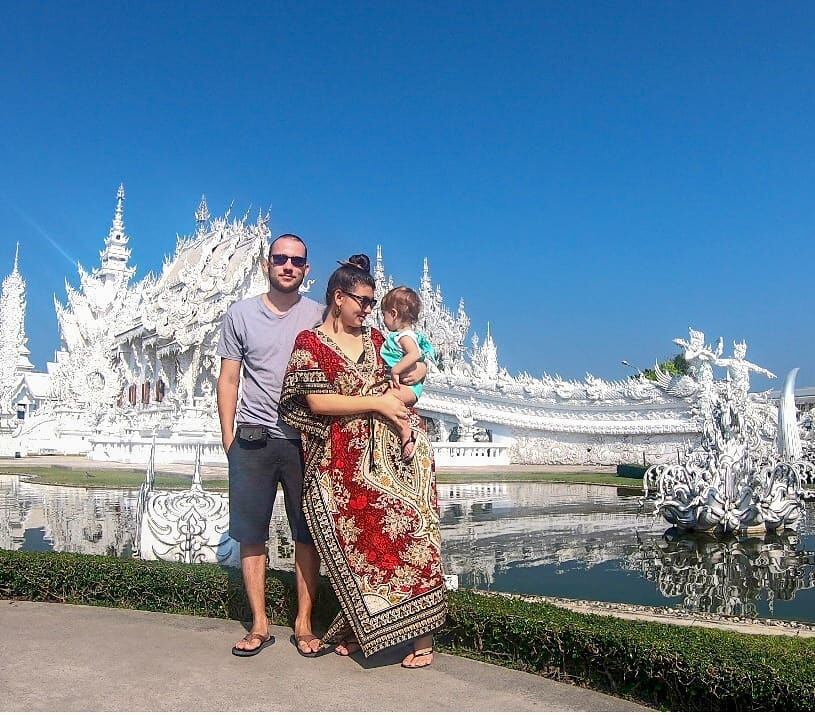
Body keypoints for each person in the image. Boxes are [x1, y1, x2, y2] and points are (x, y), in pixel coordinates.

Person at [279, 254, 446, 669]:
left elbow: (415, 367)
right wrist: (376, 402)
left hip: (399, 457)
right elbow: (317, 403)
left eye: (373, 302)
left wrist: (416, 377)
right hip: (342, 462)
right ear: (339, 298)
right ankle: (364, 629)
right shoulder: (310, 343)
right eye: (364, 301)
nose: (370, 310)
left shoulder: (377, 340)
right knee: (362, 549)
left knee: (414, 536)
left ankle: (423, 639)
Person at [216, 234, 325, 657]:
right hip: (253, 438)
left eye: (296, 261)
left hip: (304, 440)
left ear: (306, 270)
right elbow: (229, 379)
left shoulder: (319, 316)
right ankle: (259, 623)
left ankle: (304, 623)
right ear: (267, 264)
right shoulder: (240, 315)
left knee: (307, 534)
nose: (288, 266)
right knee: (251, 534)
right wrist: (229, 437)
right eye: (280, 259)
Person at [379, 285, 436, 461]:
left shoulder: (405, 336)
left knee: (387, 400)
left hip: (410, 388)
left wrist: (396, 370)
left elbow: (415, 354)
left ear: (394, 314)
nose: (383, 320)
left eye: (384, 314)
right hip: (407, 385)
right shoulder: (401, 336)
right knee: (389, 400)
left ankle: (407, 435)